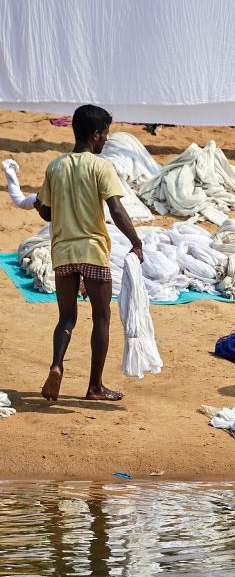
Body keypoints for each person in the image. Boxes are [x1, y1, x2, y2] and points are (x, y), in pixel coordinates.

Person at [36, 105, 144, 402]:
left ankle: (57, 365)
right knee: (101, 318)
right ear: (95, 135)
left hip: (62, 253)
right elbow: (117, 209)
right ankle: (95, 386)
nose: (107, 140)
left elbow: (46, 212)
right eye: (106, 133)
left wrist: (38, 204)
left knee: (67, 318)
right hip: (93, 251)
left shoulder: (55, 166)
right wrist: (136, 241)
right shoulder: (101, 167)